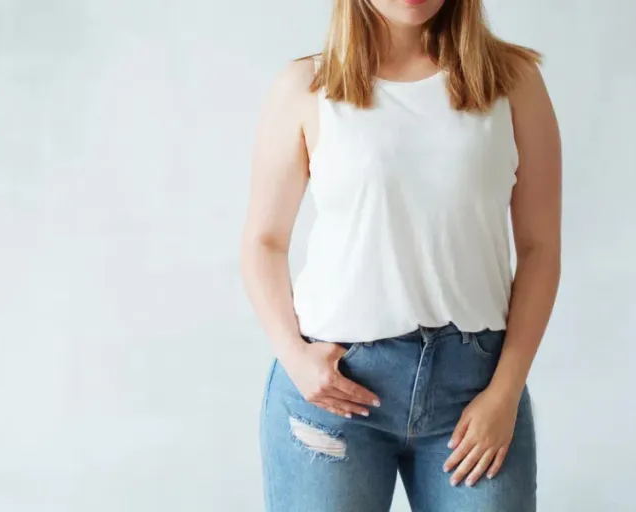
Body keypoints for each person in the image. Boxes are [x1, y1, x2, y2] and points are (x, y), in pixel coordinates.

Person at [239, 0, 561, 509]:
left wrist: (505, 393)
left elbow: (540, 248)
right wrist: (295, 358)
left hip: (477, 389)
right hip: (336, 387)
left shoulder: (512, 81)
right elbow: (264, 241)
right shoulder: (306, 87)